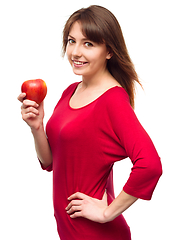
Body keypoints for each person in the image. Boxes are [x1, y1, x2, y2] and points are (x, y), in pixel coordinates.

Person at [18, 5, 162, 240]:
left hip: (96, 233)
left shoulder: (113, 100)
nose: (75, 52)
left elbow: (150, 165)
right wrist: (37, 127)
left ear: (109, 51)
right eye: (71, 41)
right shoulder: (70, 92)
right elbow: (51, 161)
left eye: (88, 44)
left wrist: (107, 213)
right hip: (69, 230)